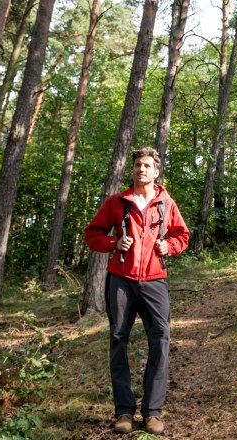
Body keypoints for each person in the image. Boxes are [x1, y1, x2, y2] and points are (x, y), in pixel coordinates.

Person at [85, 147, 189, 435]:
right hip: (120, 279)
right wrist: (114, 244)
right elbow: (92, 233)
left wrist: (170, 246)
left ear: (156, 172)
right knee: (119, 339)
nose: (141, 169)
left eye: (147, 165)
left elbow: (183, 235)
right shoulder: (117, 202)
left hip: (155, 280)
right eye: (138, 165)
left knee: (161, 339)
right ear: (133, 171)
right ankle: (124, 411)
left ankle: (153, 412)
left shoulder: (166, 203)